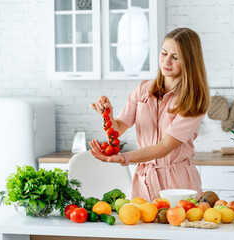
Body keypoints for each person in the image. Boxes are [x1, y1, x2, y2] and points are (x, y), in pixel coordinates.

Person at [89, 27, 210, 201]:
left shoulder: (192, 100)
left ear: (190, 61)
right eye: (164, 53)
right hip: (144, 181)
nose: (166, 61)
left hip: (178, 184)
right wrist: (107, 114)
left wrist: (123, 158)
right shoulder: (144, 89)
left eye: (175, 57)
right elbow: (118, 129)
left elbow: (165, 147)